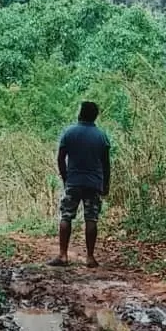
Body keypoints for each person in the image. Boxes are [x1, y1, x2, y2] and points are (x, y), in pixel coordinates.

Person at [49, 100, 110, 268]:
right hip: (94, 183)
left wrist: (65, 178)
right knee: (91, 218)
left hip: (73, 182)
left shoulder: (69, 133)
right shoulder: (101, 136)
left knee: (66, 216)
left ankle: (63, 255)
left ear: (80, 113)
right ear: (95, 116)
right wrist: (106, 184)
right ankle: (90, 257)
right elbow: (106, 164)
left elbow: (61, 158)